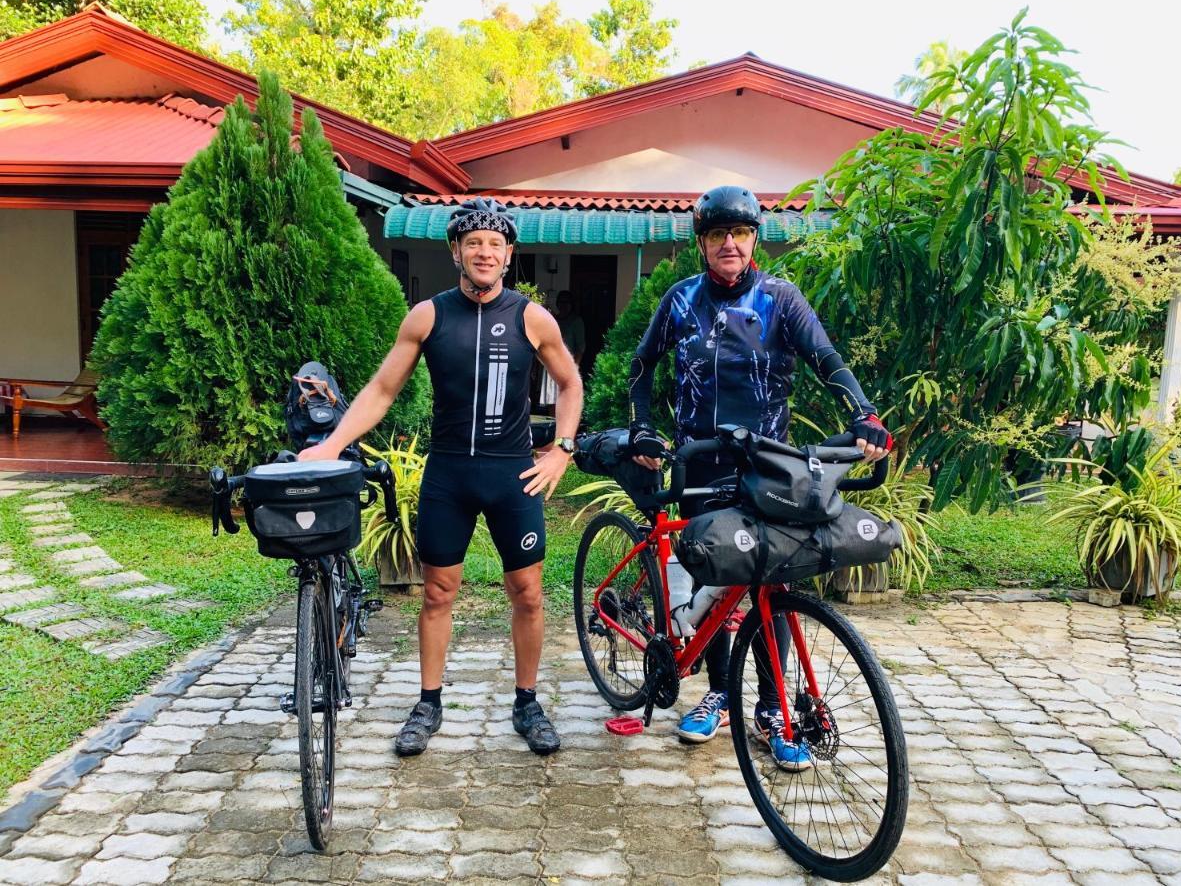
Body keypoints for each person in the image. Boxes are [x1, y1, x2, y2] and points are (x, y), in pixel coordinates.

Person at [299, 198, 583, 756]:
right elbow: (383, 390)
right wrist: (333, 444)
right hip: (450, 473)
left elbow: (571, 383)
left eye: (495, 244)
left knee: (526, 592)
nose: (484, 252)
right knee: (437, 591)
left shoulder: (531, 317)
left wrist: (562, 450)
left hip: (513, 475)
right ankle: (428, 702)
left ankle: (527, 701)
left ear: (508, 256)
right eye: (473, 242)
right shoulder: (428, 316)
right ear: (456, 250)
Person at [627, 185, 891, 770]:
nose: (729, 244)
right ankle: (720, 691)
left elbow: (827, 359)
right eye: (717, 234)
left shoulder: (780, 298)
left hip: (767, 467)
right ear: (701, 241)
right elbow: (640, 368)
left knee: (773, 582)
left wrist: (864, 415)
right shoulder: (679, 300)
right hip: (699, 462)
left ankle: (772, 708)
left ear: (753, 240)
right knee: (712, 578)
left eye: (739, 233)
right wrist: (644, 429)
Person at [538, 291, 585, 408]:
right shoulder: (553, 319)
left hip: (567, 366)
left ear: (571, 304)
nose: (564, 305)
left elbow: (581, 347)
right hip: (550, 365)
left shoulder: (576, 321)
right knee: (551, 401)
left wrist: (575, 368)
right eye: (561, 302)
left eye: (567, 302)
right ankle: (552, 426)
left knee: (565, 401)